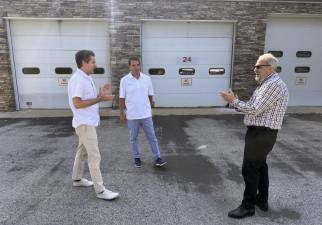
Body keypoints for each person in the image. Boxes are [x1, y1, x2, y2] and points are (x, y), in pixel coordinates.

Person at [219, 53, 289, 219]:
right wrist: (235, 100)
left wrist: (233, 101)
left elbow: (254, 109)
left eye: (259, 66)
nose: (255, 69)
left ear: (270, 68)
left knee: (249, 169)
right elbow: (251, 105)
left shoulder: (273, 85)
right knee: (260, 167)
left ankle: (248, 206)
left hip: (262, 133)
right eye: (256, 66)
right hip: (260, 132)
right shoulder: (265, 84)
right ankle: (261, 200)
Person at [68, 50, 119, 200]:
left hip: (86, 122)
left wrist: (100, 95)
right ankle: (101, 191)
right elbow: (77, 103)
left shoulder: (86, 77)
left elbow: (86, 99)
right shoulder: (78, 79)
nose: (95, 64)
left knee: (82, 152)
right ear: (84, 63)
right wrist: (99, 100)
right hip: (85, 123)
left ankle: (77, 179)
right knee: (94, 156)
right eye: (93, 62)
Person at [119, 56, 167, 168]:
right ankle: (136, 158)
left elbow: (150, 95)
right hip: (132, 116)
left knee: (152, 137)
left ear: (140, 65)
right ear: (129, 66)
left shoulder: (147, 79)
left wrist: (149, 108)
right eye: (133, 65)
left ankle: (157, 158)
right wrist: (121, 113)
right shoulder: (124, 80)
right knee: (133, 138)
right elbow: (122, 98)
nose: (136, 67)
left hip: (146, 115)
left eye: (138, 65)